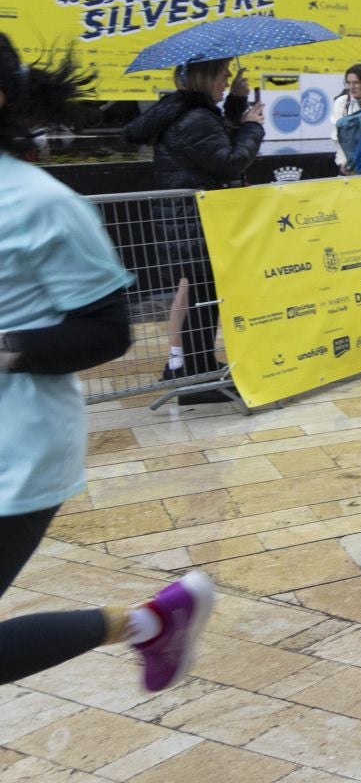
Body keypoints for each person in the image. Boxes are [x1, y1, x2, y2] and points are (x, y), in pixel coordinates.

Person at [1, 35, 218, 691]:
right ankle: (154, 624)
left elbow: (107, 332)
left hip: (16, 452)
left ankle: (141, 624)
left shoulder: (39, 205)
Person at [121, 57, 263, 397]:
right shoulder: (195, 118)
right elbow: (228, 162)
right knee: (201, 300)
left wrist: (238, 103)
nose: (228, 79)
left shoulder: (191, 113)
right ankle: (195, 378)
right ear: (207, 77)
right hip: (194, 223)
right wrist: (252, 127)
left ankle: (197, 367)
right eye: (224, 74)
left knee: (202, 298)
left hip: (192, 222)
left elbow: (215, 144)